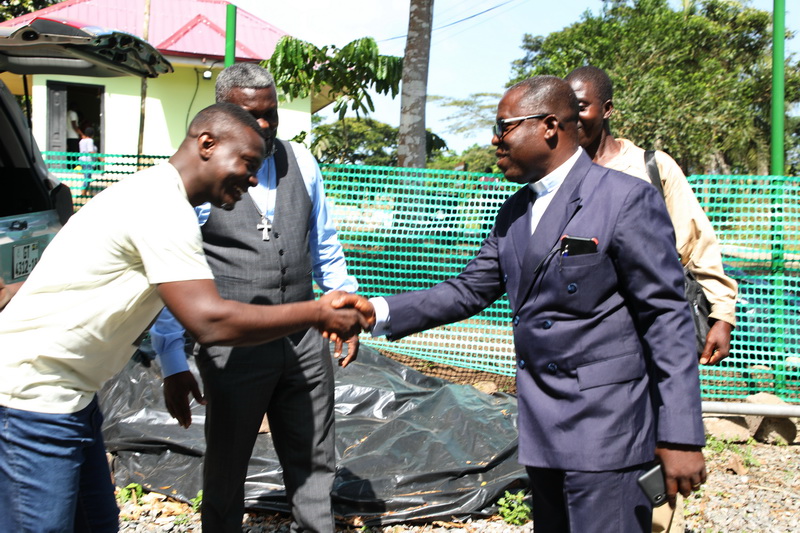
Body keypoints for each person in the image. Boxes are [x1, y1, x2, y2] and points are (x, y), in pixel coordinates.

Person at [0, 102, 373, 533]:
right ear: (207, 144)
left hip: (74, 397)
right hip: (32, 397)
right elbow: (209, 322)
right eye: (248, 163)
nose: (253, 178)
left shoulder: (157, 195)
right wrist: (316, 311)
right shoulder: (162, 207)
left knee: (99, 524)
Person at [363, 76, 706, 532]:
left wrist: (680, 435)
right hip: (543, 426)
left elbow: (667, 320)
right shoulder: (515, 212)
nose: (494, 139)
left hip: (607, 429)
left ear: (548, 126)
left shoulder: (624, 200)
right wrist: (375, 312)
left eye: (504, 127)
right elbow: (468, 290)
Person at [149, 63, 359, 533]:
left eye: (272, 114)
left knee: (313, 455)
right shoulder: (199, 178)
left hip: (304, 342)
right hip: (234, 344)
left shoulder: (300, 160)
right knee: (227, 461)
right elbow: (172, 277)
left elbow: (324, 243)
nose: (264, 126)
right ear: (222, 114)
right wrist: (172, 361)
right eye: (251, 115)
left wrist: (344, 304)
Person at [565, 65, 737, 366]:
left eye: (581, 107)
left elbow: (697, 242)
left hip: (654, 325)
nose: (572, 117)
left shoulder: (651, 167)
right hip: (585, 327)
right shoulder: (559, 175)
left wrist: (722, 315)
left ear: (606, 109)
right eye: (565, 109)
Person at [79, 126, 97, 192]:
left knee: (87, 177)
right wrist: (100, 158)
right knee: (87, 178)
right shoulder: (90, 140)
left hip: (82, 160)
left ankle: (85, 192)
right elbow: (91, 151)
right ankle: (83, 193)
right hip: (87, 161)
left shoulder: (82, 141)